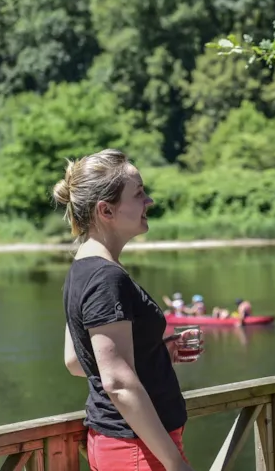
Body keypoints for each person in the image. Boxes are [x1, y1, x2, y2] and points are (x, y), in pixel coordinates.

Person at [53, 148, 200, 471]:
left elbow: (77, 360)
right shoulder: (106, 277)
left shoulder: (82, 269)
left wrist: (156, 351)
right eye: (139, 193)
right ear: (106, 210)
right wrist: (175, 463)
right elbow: (118, 383)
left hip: (128, 445)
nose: (149, 201)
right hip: (137, 449)